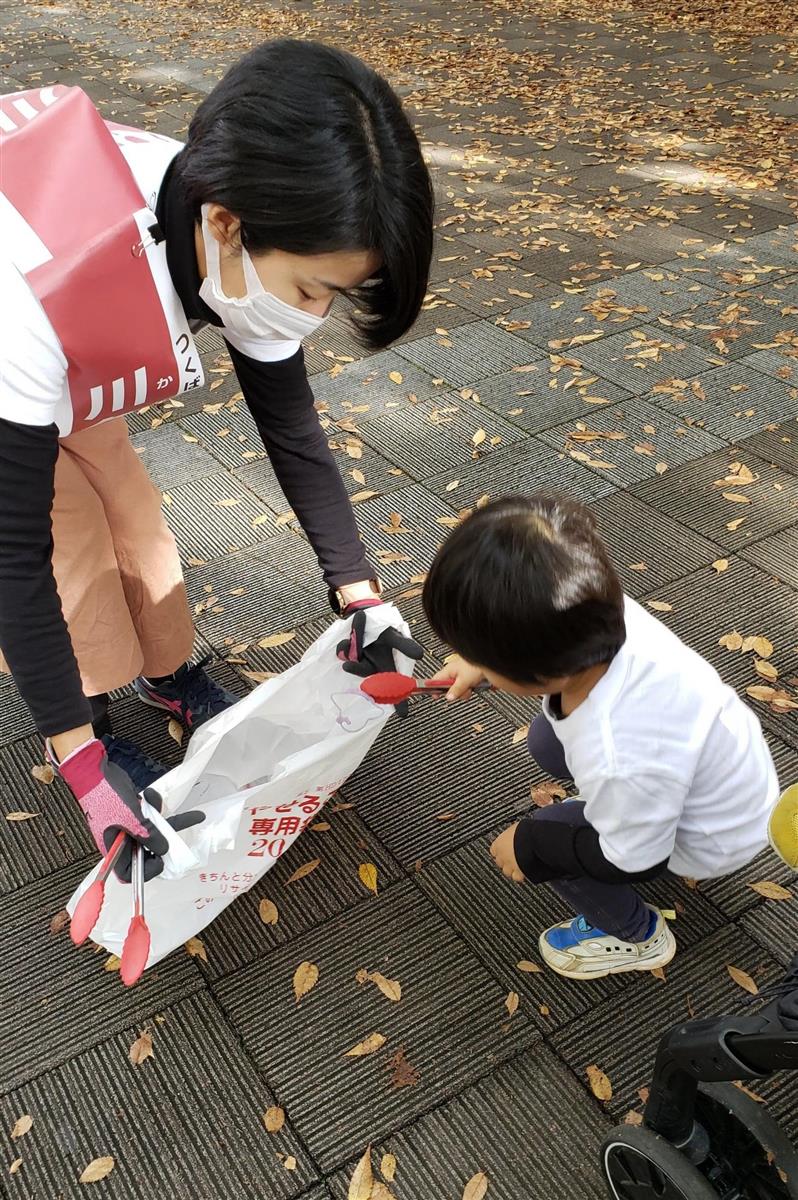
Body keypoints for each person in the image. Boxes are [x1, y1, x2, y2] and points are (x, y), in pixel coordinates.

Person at [0, 40, 431, 878]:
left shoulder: (223, 221)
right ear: (226, 226)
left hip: (73, 344)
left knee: (130, 504)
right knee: (67, 532)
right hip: (14, 339)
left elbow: (293, 429)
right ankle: (87, 717)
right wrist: (83, 767)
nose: (313, 316)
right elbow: (12, 553)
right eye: (312, 290)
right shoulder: (31, 295)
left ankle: (165, 674)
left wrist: (358, 596)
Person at [422, 493, 779, 979]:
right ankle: (614, 821)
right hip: (723, 768)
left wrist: (532, 845)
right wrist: (485, 657)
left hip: (711, 836)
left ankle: (636, 935)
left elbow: (631, 861)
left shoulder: (619, 754)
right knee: (548, 740)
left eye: (480, 656)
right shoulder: (590, 607)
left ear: (542, 671)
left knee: (553, 846)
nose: (471, 662)